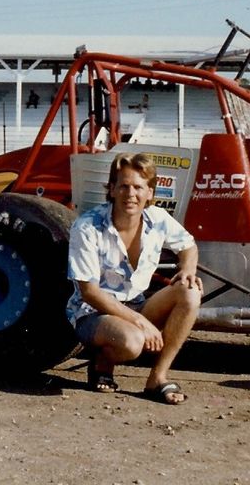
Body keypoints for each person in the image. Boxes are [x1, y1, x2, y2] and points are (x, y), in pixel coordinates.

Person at [66, 152, 202, 404]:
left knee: (190, 291)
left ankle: (157, 378)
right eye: (124, 186)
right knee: (132, 342)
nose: (131, 194)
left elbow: (188, 246)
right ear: (112, 190)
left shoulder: (158, 219)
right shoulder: (87, 226)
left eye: (138, 187)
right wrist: (140, 322)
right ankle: (102, 362)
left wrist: (187, 269)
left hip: (135, 304)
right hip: (92, 313)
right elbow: (89, 292)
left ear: (150, 192)